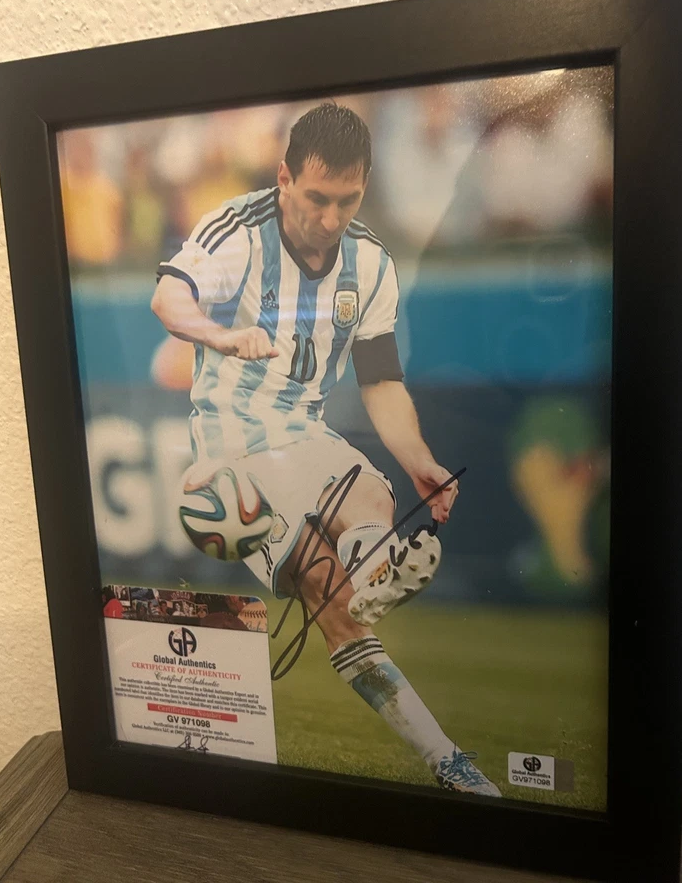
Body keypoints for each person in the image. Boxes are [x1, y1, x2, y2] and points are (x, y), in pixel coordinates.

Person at [151, 103, 500, 796]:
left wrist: (419, 458)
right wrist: (218, 337)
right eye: (317, 198)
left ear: (363, 187)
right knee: (325, 592)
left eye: (349, 200)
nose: (332, 217)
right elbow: (168, 299)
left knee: (375, 495)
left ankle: (376, 566)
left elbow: (381, 383)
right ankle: (446, 759)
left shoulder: (370, 264)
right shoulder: (238, 230)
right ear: (284, 178)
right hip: (233, 456)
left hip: (302, 432)